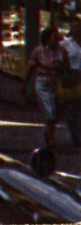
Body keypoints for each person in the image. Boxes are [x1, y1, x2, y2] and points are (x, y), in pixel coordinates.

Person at [23, 26, 68, 148]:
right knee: (50, 111)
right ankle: (51, 137)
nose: (57, 40)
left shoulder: (62, 51)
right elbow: (31, 68)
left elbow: (67, 68)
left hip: (57, 84)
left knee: (57, 112)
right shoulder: (38, 51)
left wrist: (61, 67)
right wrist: (24, 84)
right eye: (54, 37)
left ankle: (48, 131)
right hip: (43, 84)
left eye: (57, 37)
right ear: (47, 38)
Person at [60, 15, 81, 147]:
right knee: (72, 108)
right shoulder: (65, 44)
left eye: (78, 27)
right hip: (72, 77)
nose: (76, 29)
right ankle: (76, 136)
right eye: (73, 27)